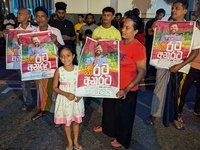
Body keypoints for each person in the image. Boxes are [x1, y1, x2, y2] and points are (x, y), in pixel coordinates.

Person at [146, 0, 200, 130]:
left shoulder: (193, 29)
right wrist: (154, 29)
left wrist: (180, 65)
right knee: (158, 90)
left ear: (185, 11)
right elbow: (151, 35)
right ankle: (154, 114)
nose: (173, 10)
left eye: (177, 8)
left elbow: (195, 51)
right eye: (173, 8)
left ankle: (175, 117)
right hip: (163, 64)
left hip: (181, 66)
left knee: (177, 93)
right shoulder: (164, 27)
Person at [102, 15, 146, 148]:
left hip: (128, 89)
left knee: (124, 117)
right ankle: (109, 130)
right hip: (113, 85)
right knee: (110, 111)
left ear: (136, 31)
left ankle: (122, 138)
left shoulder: (138, 47)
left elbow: (142, 71)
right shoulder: (118, 44)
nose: (123, 30)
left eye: (128, 28)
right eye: (123, 26)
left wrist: (127, 88)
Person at [31, 6, 65, 121]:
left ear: (48, 18)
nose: (40, 19)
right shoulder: (32, 33)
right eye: (38, 16)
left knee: (53, 90)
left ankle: (58, 115)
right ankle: (43, 109)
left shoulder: (55, 31)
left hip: (51, 67)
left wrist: (55, 41)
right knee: (40, 90)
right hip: (37, 67)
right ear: (35, 18)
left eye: (43, 16)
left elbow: (62, 50)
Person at [170, 2, 200, 127]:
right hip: (191, 65)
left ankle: (197, 110)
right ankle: (178, 114)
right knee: (182, 91)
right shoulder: (191, 27)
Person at [92, 6, 121, 132]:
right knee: (103, 96)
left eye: (108, 15)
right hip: (99, 67)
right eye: (104, 14)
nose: (105, 17)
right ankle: (105, 123)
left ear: (113, 17)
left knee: (111, 97)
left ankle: (111, 123)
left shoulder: (116, 33)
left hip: (112, 68)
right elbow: (91, 50)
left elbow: (119, 52)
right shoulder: (96, 31)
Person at [53, 46, 84, 150]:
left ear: (73, 55)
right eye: (62, 56)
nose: (65, 58)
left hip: (76, 99)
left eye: (68, 55)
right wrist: (66, 94)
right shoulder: (59, 71)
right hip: (64, 99)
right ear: (59, 58)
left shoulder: (78, 69)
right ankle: (69, 142)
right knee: (67, 122)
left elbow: (83, 84)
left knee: (76, 121)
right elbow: (54, 88)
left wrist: (81, 94)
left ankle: (75, 141)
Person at [145, 8, 166, 77]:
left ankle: (152, 72)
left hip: (156, 43)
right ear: (157, 14)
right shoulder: (151, 22)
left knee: (155, 58)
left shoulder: (160, 23)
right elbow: (149, 32)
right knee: (148, 58)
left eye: (162, 16)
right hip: (150, 42)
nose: (160, 17)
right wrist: (157, 33)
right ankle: (146, 72)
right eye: (160, 15)